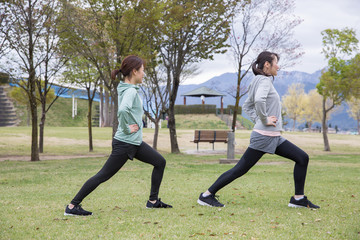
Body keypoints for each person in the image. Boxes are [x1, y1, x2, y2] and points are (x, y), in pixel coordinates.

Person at [197, 51, 320, 209]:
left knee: (302, 158)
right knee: (240, 169)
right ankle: (207, 195)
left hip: (272, 136)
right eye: (276, 62)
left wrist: (259, 120)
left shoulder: (257, 80)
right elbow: (258, 100)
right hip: (264, 136)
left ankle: (298, 199)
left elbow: (247, 106)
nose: (278, 66)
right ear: (267, 64)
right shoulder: (264, 81)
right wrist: (264, 119)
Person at [64, 55, 172, 216]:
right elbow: (122, 110)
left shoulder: (127, 88)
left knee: (160, 162)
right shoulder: (130, 92)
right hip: (125, 143)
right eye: (142, 71)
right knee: (103, 175)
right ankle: (72, 207)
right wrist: (128, 128)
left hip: (135, 143)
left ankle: (153, 201)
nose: (144, 74)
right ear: (134, 71)